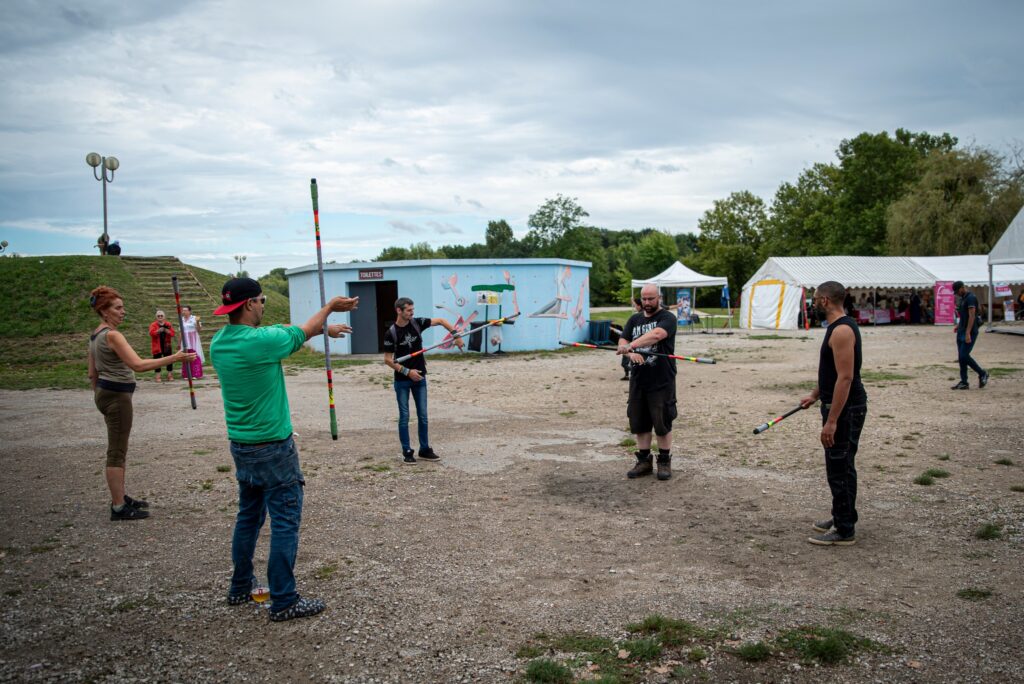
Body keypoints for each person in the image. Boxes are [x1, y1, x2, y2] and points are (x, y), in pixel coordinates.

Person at [210, 277, 356, 622]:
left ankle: (241, 586)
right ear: (248, 304)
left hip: (242, 445)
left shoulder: (219, 341)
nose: (264, 305)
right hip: (273, 446)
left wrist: (322, 328)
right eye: (261, 299)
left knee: (248, 518)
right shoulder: (262, 341)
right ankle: (284, 600)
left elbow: (300, 332)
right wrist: (329, 308)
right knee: (285, 521)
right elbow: (298, 331)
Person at [88, 286, 195, 521]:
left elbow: (92, 373)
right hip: (117, 396)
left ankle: (120, 496)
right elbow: (138, 365)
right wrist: (176, 357)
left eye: (122, 307)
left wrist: (99, 395)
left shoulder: (96, 335)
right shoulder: (112, 335)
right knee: (117, 451)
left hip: (106, 392)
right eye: (117, 308)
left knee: (118, 448)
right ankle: (118, 506)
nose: (123, 311)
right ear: (104, 311)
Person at [799, 281, 867, 546]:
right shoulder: (837, 328)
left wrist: (832, 421)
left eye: (815, 299)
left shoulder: (841, 331)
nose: (813, 304)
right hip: (839, 406)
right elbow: (831, 372)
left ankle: (844, 529)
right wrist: (815, 395)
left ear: (825, 300)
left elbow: (846, 378)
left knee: (839, 467)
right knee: (841, 464)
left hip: (846, 409)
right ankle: (843, 515)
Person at [382, 297, 464, 464]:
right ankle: (407, 451)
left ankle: (424, 449)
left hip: (420, 377)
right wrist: (407, 371)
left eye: (413, 309)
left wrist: (456, 335)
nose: (412, 313)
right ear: (399, 311)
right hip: (402, 380)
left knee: (423, 415)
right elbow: (388, 360)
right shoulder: (391, 333)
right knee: (404, 416)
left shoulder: (417, 323)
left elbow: (441, 320)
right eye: (409, 310)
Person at [617, 284, 678, 481]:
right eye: (644, 299)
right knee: (639, 421)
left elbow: (657, 335)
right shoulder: (634, 319)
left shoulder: (667, 318)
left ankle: (664, 461)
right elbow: (623, 339)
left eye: (651, 299)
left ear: (658, 298)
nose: (647, 303)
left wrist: (632, 345)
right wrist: (630, 351)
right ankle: (643, 461)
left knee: (662, 421)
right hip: (638, 380)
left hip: (661, 379)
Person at [950, 281, 988, 390]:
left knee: (964, 355)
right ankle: (964, 382)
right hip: (961, 330)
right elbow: (964, 315)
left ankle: (982, 373)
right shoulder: (963, 298)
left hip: (970, 331)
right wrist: (959, 325)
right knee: (961, 357)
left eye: (957, 291)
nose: (957, 293)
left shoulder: (971, 298)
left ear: (962, 288)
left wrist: (968, 332)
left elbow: (972, 316)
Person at [618, 297, 643, 381]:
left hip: (632, 344)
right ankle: (627, 375)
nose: (634, 306)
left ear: (639, 306)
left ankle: (634, 373)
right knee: (626, 362)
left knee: (625, 363)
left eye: (635, 305)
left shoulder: (640, 316)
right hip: (630, 343)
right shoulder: (636, 316)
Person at [148, 311, 176, 382]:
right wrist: (158, 331)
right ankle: (158, 376)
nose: (160, 317)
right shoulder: (153, 324)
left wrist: (167, 331)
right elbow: (151, 333)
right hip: (157, 346)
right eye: (158, 316)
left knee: (169, 360)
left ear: (164, 317)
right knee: (157, 361)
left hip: (167, 345)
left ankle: (170, 375)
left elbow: (172, 333)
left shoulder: (168, 324)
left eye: (161, 316)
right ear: (156, 317)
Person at [181, 305, 205, 379]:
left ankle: (196, 374)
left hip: (193, 339)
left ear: (189, 311)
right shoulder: (181, 319)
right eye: (183, 310)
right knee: (186, 355)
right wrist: (179, 342)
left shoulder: (194, 318)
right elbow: (180, 331)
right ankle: (186, 374)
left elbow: (199, 329)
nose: (184, 312)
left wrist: (197, 322)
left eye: (185, 310)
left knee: (194, 354)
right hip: (185, 339)